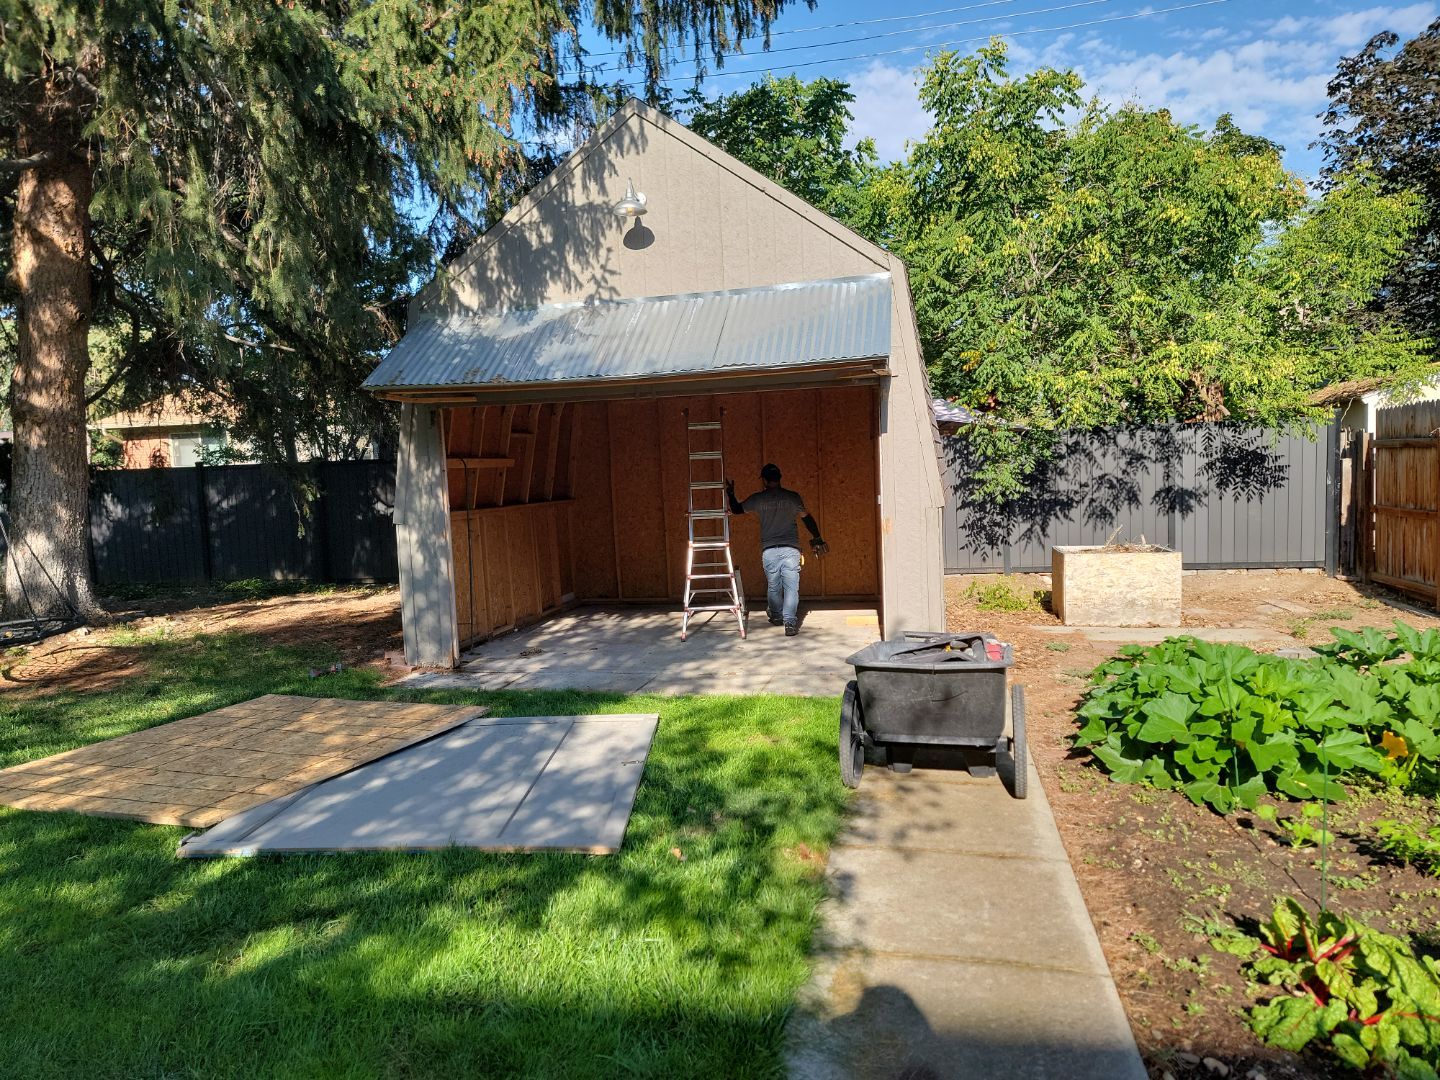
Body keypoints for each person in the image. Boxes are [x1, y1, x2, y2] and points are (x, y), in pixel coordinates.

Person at [726, 463, 828, 636]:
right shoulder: (792, 497)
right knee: (791, 588)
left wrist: (730, 493)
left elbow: (736, 509)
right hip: (791, 549)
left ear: (765, 480)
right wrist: (817, 537)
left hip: (770, 550)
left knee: (774, 586)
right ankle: (790, 623)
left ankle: (776, 616)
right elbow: (807, 519)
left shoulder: (758, 499)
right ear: (779, 478)